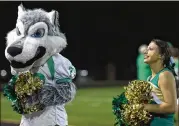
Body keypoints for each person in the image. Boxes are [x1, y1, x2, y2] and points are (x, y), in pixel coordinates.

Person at [143, 39, 177, 126]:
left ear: (161, 55)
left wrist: (143, 107)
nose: (145, 51)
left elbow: (171, 107)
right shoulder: (149, 78)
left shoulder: (164, 75)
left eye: (150, 49)